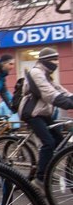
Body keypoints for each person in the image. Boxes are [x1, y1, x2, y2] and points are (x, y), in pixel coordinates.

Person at [18, 47, 73, 191]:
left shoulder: (47, 74)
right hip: (31, 113)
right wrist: (68, 103)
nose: (56, 62)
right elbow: (49, 93)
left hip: (43, 113)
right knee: (48, 142)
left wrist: (71, 97)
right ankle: (40, 180)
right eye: (54, 59)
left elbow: (60, 90)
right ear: (46, 61)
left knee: (59, 141)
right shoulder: (36, 73)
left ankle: (49, 170)